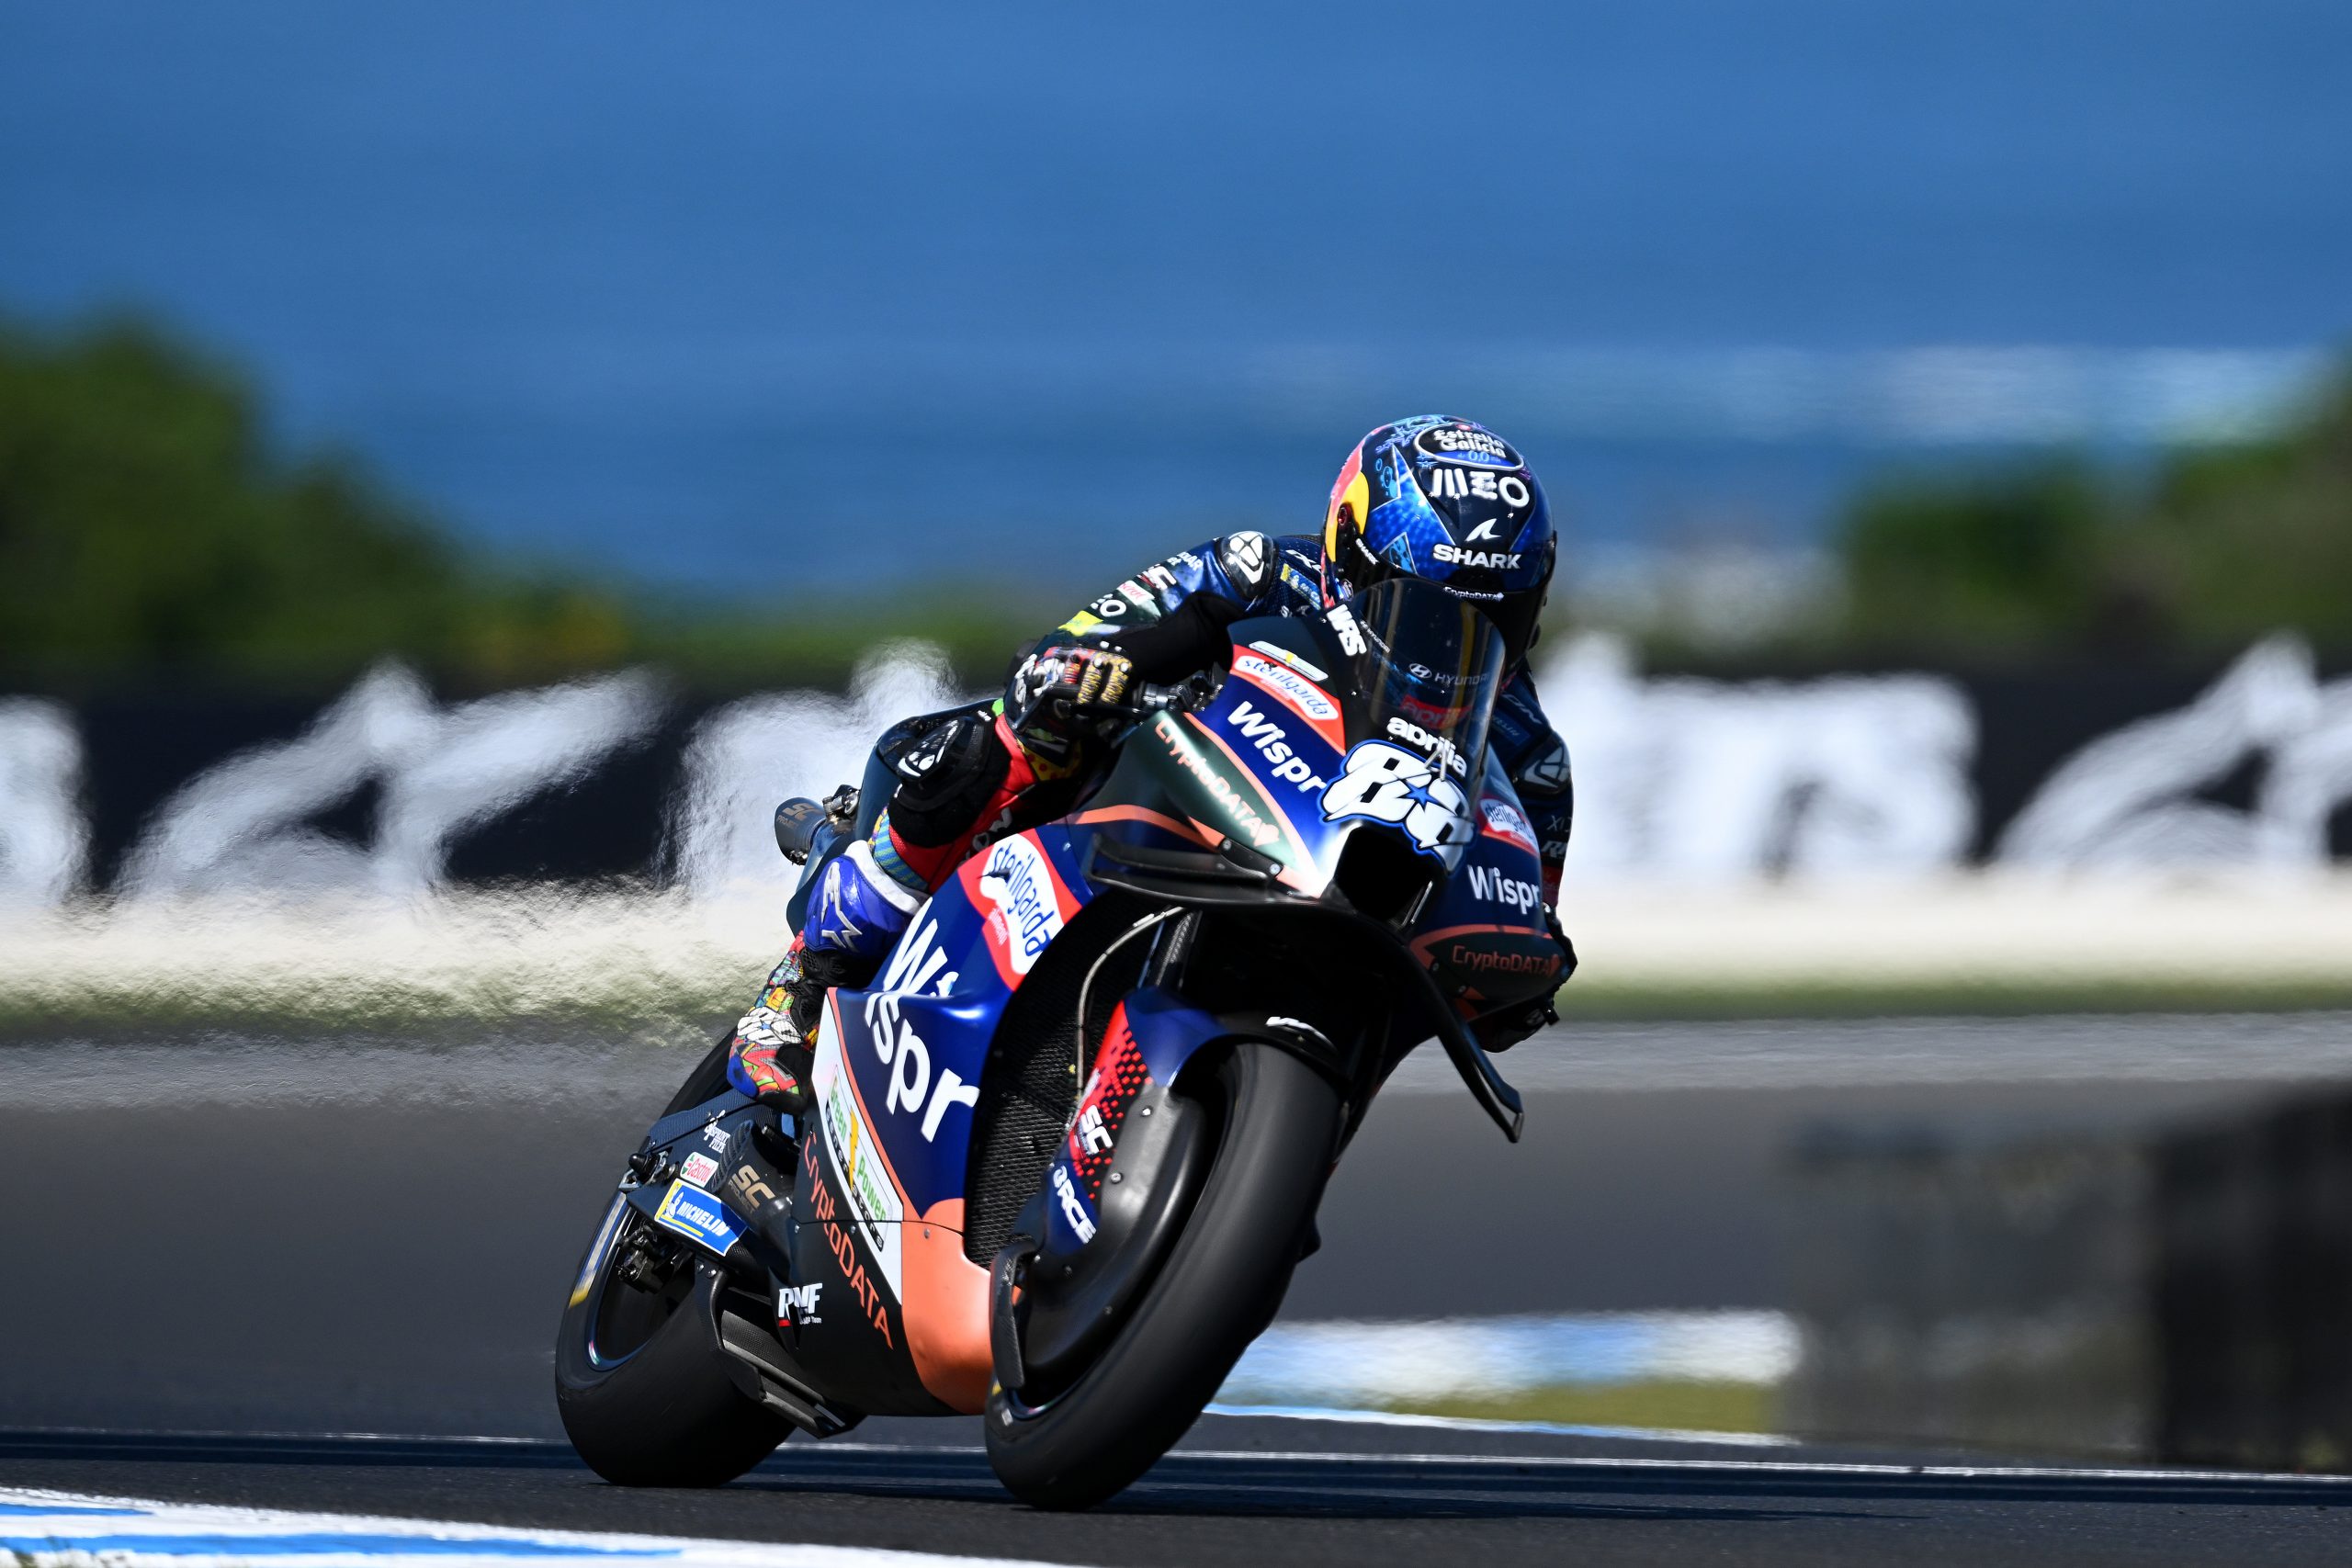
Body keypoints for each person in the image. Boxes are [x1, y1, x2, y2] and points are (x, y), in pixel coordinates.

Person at [728, 415, 1577, 1110]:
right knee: (1017, 729)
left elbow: (1518, 972)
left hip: (1325, 927)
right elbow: (1070, 651)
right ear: (1349, 558)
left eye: (1490, 614)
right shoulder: (1259, 573)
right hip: (1156, 808)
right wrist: (1097, 674)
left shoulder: (1531, 756)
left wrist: (1526, 969)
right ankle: (804, 980)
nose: (1454, 644)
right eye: (1428, 608)